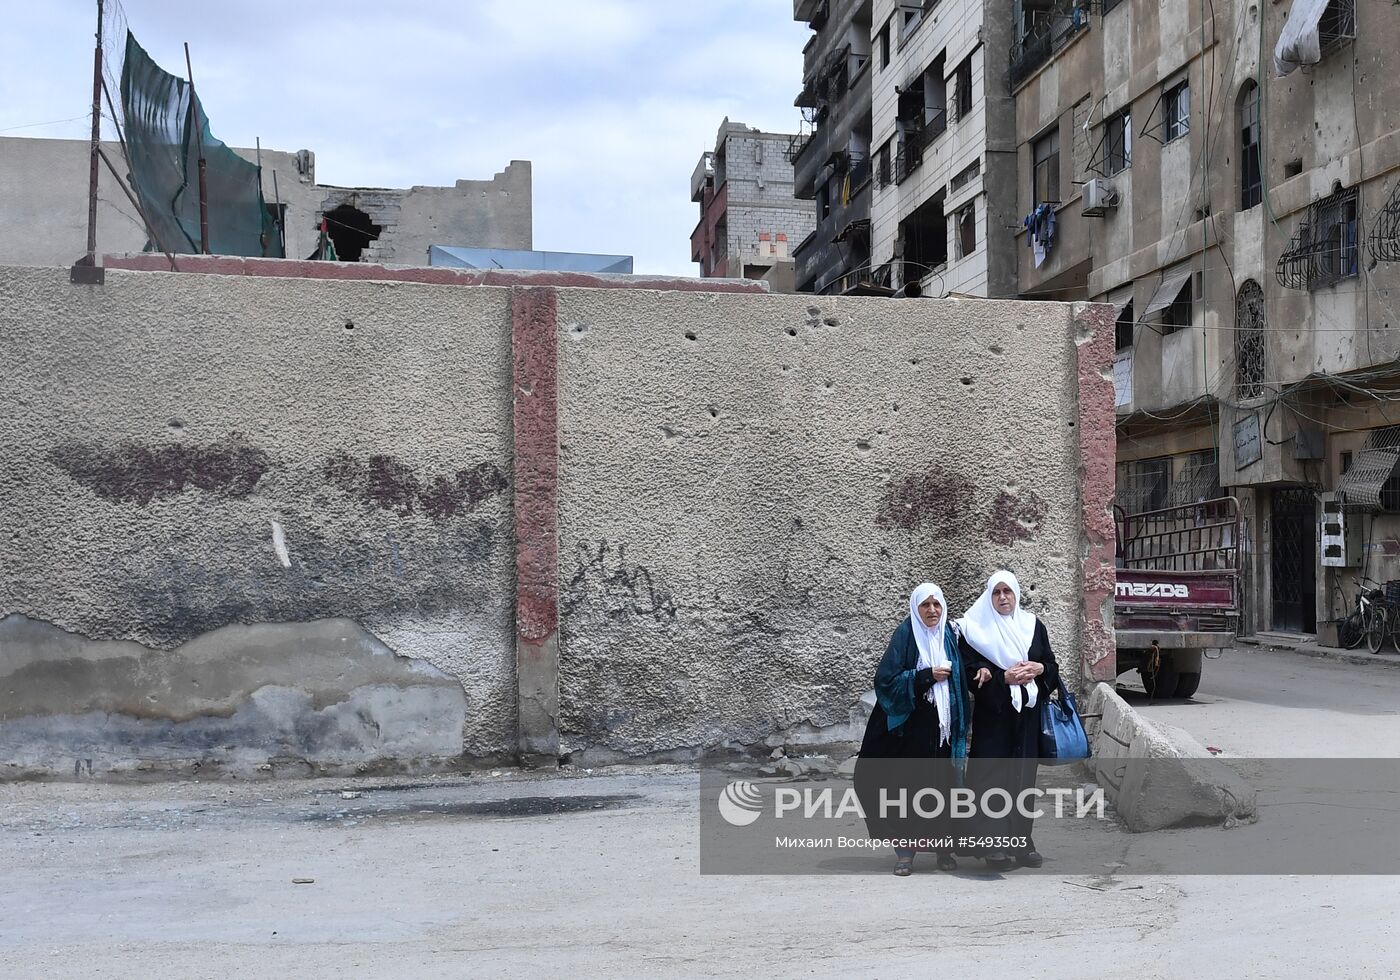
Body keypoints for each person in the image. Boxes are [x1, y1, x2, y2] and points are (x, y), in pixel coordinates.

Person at [854, 583, 971, 877]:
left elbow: (963, 670)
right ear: (916, 608)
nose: (932, 611)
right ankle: (905, 854)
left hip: (944, 732)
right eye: (925, 605)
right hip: (912, 732)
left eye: (936, 605)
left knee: (943, 792)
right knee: (908, 793)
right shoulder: (906, 635)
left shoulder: (949, 635)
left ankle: (944, 849)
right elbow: (886, 680)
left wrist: (976, 672)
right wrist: (924, 676)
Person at [957, 570, 1059, 870]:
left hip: (1026, 717)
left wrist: (1040, 670)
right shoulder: (974, 630)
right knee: (990, 780)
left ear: (1016, 595)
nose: (1003, 597)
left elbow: (1051, 666)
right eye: (997, 592)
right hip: (994, 718)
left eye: (1008, 592)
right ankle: (993, 846)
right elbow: (969, 674)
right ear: (989, 597)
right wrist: (1004, 677)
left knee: (1022, 780)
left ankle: (1021, 844)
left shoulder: (1032, 626)